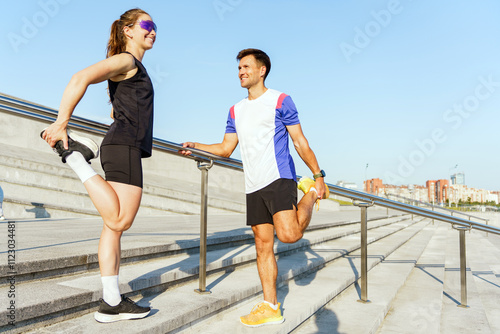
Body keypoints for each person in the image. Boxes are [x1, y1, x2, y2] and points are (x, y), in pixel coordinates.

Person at [180, 48, 329, 328]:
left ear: (262, 70)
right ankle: (271, 306)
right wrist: (196, 146)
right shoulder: (235, 110)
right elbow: (225, 148)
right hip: (253, 184)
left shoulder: (280, 100)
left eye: (246, 67)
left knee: (290, 235)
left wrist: (317, 175)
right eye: (239, 68)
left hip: (279, 178)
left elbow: (299, 141)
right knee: (263, 246)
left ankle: (309, 193)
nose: (241, 71)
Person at [41, 8, 156, 323]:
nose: (153, 30)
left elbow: (118, 109)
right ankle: (74, 157)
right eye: (146, 24)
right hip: (124, 146)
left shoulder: (133, 67)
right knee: (120, 221)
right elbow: (80, 77)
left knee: (111, 228)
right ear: (128, 30)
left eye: (154, 25)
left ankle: (111, 301)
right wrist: (61, 123)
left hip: (121, 143)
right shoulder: (127, 60)